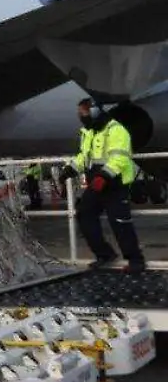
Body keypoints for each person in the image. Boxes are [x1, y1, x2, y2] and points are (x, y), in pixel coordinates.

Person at [61, 99, 145, 272]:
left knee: (120, 222)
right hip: (96, 184)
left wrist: (105, 176)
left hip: (115, 184)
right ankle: (104, 254)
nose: (80, 116)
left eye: (83, 113)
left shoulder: (116, 130)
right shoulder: (88, 132)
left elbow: (120, 158)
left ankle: (136, 260)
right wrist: (70, 169)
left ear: (94, 112)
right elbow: (84, 157)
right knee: (84, 214)